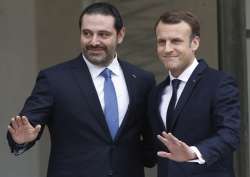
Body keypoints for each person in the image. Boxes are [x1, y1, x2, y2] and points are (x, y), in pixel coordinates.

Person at [7, 2, 155, 177]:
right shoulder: (54, 79)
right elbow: (26, 125)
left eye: (103, 34)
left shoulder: (142, 80)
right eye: (87, 34)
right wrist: (21, 140)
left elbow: (150, 138)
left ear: (120, 35)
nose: (94, 41)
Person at [148, 10, 240, 177]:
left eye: (176, 41)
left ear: (194, 43)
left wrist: (192, 153)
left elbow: (230, 134)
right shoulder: (157, 92)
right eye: (162, 42)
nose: (167, 49)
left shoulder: (219, 83)